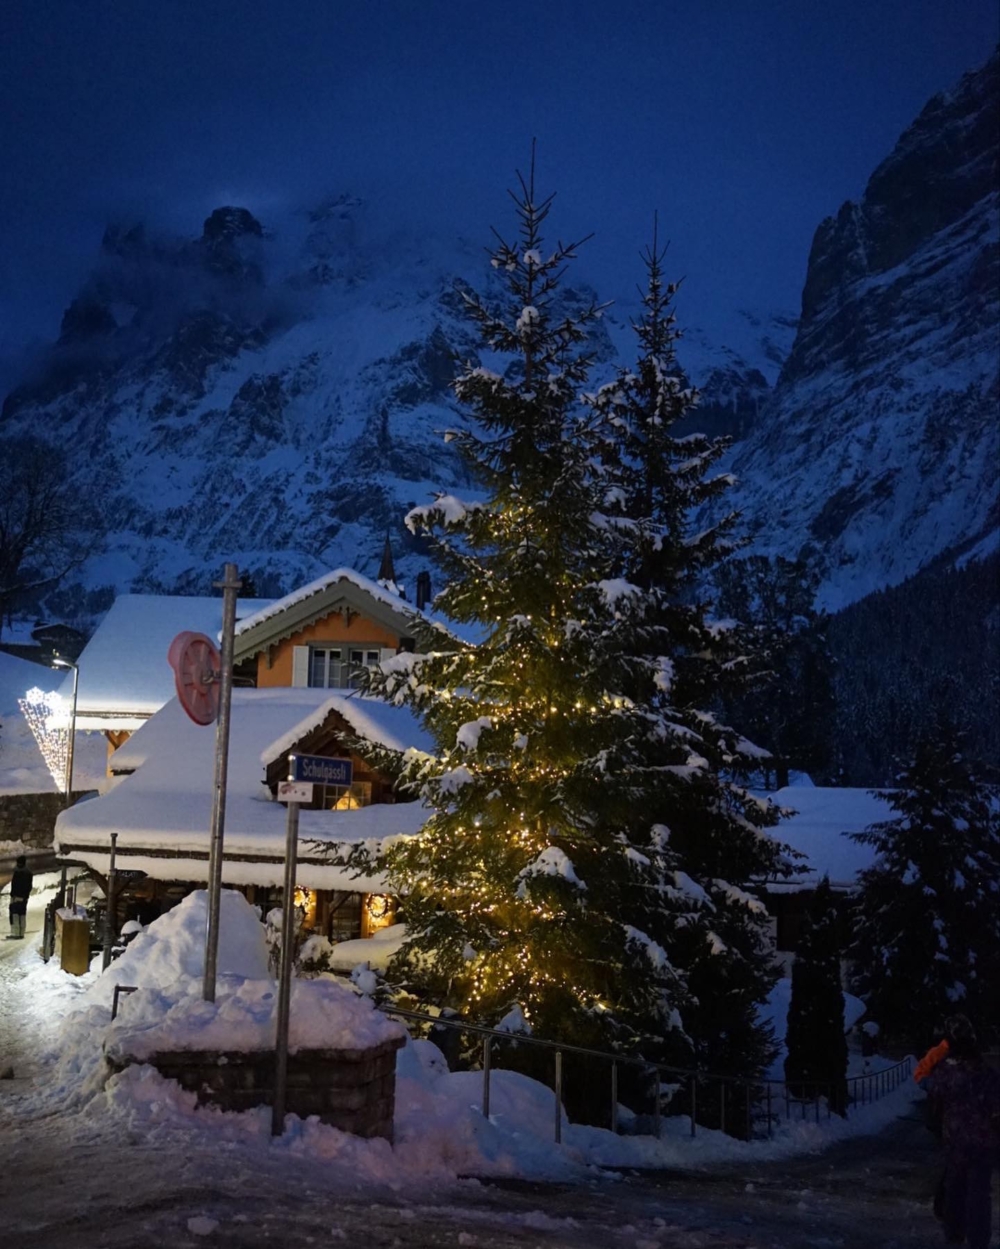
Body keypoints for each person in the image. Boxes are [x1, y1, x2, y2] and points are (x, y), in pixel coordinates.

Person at [928, 1015, 1000, 1249]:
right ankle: (978, 1240)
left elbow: (935, 1101)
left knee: (955, 1188)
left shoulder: (944, 1072)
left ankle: (954, 1233)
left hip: (955, 1139)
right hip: (983, 1140)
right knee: (979, 1193)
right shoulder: (985, 1073)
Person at [5, 855, 33, 939]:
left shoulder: (18, 872)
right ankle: (21, 933)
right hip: (24, 898)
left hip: (16, 896)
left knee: (15, 915)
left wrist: (14, 895)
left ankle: (15, 933)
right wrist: (25, 896)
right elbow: (29, 886)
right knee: (22, 914)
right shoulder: (28, 872)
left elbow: (15, 885)